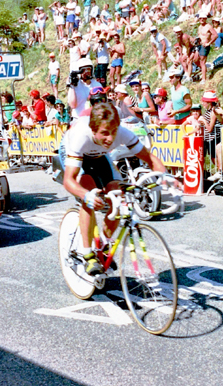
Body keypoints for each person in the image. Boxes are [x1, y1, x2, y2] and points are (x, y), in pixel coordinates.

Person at [62, 102, 173, 275]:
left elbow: (149, 159)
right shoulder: (81, 136)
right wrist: (86, 195)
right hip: (77, 153)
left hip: (99, 155)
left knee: (118, 197)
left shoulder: (122, 133)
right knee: (89, 192)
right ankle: (87, 253)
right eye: (105, 133)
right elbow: (68, 181)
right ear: (93, 129)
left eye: (113, 132)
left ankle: (103, 246)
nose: (110, 138)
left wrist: (166, 180)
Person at [198, 13, 218, 84]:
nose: (202, 20)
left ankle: (204, 79)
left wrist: (209, 43)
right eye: (200, 18)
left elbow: (215, 35)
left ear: (205, 19)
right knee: (197, 60)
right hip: (200, 45)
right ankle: (202, 74)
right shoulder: (199, 27)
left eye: (203, 18)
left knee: (202, 61)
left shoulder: (208, 26)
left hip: (205, 46)